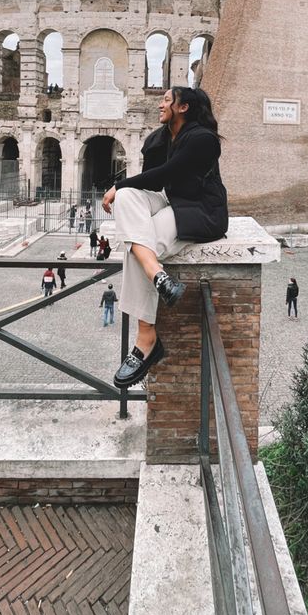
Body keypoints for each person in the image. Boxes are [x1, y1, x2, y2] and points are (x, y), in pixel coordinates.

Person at [102, 87, 228, 389]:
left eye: (166, 100)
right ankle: (157, 274)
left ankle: (146, 338)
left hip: (201, 210)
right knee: (129, 198)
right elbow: (148, 182)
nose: (160, 104)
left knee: (136, 242)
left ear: (183, 107)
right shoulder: (160, 138)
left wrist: (117, 185)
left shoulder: (203, 139)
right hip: (172, 202)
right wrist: (124, 190)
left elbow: (164, 175)